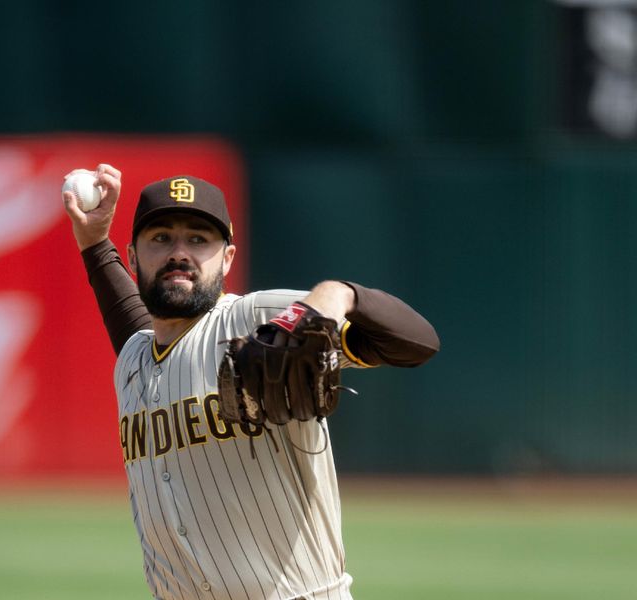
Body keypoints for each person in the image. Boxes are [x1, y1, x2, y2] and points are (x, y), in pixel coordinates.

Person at [62, 164, 440, 600]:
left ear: (227, 258)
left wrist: (341, 294)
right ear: (132, 256)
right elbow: (138, 327)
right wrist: (93, 242)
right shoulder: (135, 357)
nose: (178, 253)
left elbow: (418, 342)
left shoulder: (256, 318)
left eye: (199, 240)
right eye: (161, 238)